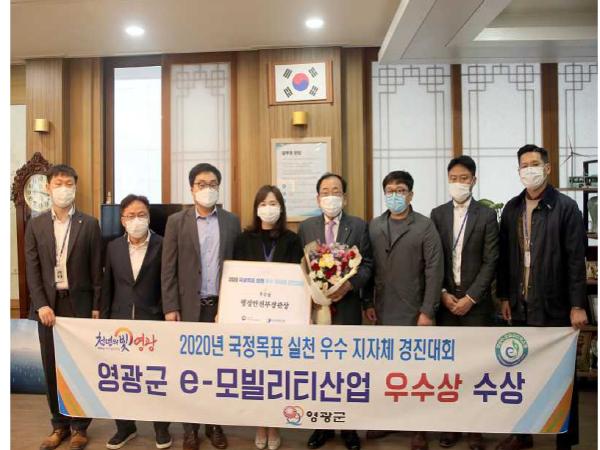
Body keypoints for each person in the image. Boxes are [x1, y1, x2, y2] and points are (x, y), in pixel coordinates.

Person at [496, 145, 588, 450]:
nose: (529, 170)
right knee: (521, 374)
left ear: (547, 168)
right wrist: (504, 296)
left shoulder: (566, 207)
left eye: (534, 164)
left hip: (555, 305)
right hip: (520, 305)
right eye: (524, 165)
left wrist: (577, 305)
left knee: (562, 377)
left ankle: (565, 441)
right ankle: (523, 435)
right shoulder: (512, 208)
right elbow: (505, 259)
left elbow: (576, 260)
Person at [162, 163, 241, 450]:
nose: (207, 189)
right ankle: (190, 429)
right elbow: (168, 267)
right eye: (201, 184)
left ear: (219, 187)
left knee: (218, 369)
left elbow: (236, 265)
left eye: (212, 184)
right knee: (190, 372)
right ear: (192, 188)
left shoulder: (231, 221)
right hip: (187, 308)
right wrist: (170, 306)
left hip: (221, 308)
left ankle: (215, 425)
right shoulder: (176, 221)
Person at [25, 164, 102, 450]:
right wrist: (41, 304)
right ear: (48, 187)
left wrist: (96, 307)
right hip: (49, 308)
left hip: (80, 306)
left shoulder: (89, 224)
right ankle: (58, 426)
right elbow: (32, 269)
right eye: (58, 183)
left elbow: (97, 271)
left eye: (69, 183)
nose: (63, 188)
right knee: (51, 367)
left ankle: (80, 427)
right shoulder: (36, 225)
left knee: (79, 367)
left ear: (75, 188)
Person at [366, 170, 443, 450]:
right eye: (390, 190)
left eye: (400, 190)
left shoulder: (424, 226)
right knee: (388, 370)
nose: (395, 195)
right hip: (383, 310)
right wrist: (367, 302)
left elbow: (435, 270)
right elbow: (367, 266)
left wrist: (428, 311)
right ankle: (389, 419)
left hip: (415, 311)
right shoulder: (374, 226)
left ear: (410, 195)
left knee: (418, 372)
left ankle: (420, 427)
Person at [297, 173, 373, 450]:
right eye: (326, 192)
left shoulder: (359, 226)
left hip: (348, 307)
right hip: (318, 309)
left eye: (336, 191)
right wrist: (315, 293)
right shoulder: (306, 227)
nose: (331, 196)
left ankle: (349, 427)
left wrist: (349, 285)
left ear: (345, 197)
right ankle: (322, 425)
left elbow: (368, 265)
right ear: (318, 198)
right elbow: (301, 267)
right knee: (320, 368)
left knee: (347, 369)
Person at [430, 156, 499, 450]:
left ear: (473, 180)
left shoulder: (487, 215)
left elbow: (491, 261)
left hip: (476, 305)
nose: (458, 183)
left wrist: (471, 298)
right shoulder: (437, 214)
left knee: (476, 367)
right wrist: (443, 293)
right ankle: (451, 425)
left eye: (463, 178)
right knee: (449, 369)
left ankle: (475, 429)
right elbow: (433, 259)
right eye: (453, 178)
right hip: (446, 302)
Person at [233, 185, 304, 450]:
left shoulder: (292, 239)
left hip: (282, 317)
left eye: (273, 203)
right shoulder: (244, 239)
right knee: (255, 373)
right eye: (263, 203)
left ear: (281, 208)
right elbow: (235, 277)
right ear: (256, 208)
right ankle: (259, 424)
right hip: (252, 315)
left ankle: (274, 424)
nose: (268, 208)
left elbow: (300, 279)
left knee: (277, 373)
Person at [101, 194, 171, 450]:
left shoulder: (163, 244)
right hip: (119, 323)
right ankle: (125, 427)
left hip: (153, 321)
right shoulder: (113, 247)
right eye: (130, 216)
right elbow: (107, 286)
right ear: (122, 220)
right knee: (121, 378)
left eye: (141, 214)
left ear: (149, 217)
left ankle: (161, 428)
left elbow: (168, 282)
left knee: (156, 377)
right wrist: (103, 318)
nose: (136, 220)